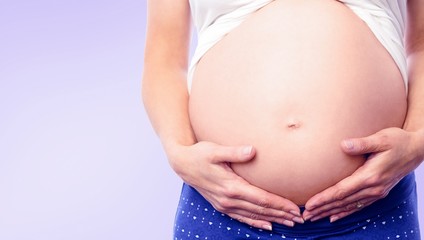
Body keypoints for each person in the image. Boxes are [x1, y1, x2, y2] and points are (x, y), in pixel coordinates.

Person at [142, 0, 424, 239]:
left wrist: (417, 139)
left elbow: (422, 45)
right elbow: (163, 59)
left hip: (373, 207)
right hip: (224, 207)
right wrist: (178, 150)